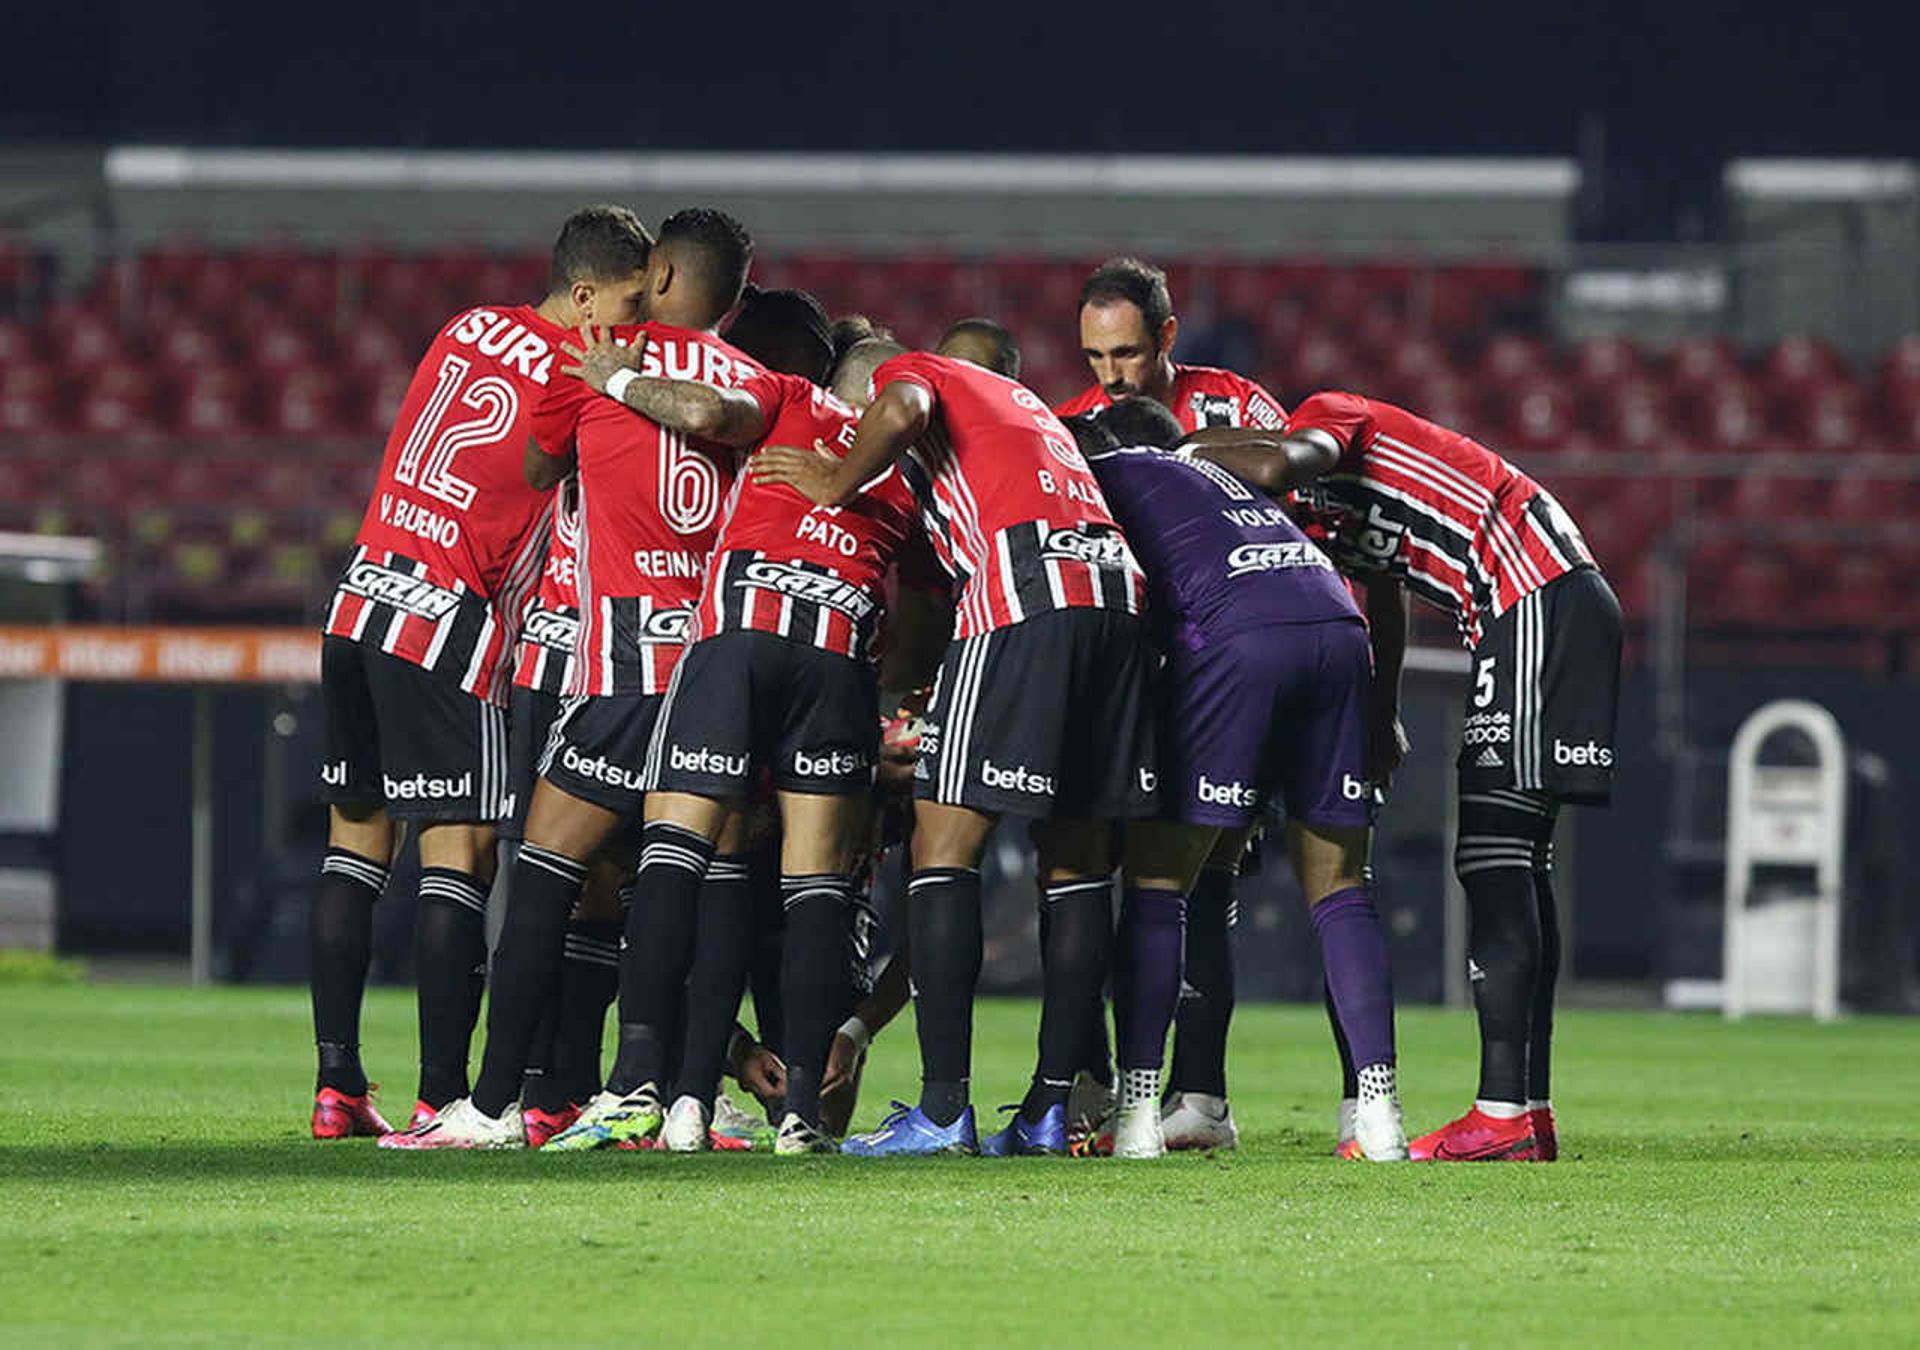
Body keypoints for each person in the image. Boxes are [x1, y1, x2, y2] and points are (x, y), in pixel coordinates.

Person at [381, 208, 777, 1149]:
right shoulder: (762, 381)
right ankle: (682, 1096)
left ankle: (487, 1104)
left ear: (668, 277)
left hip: (625, 658)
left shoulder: (593, 357)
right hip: (720, 660)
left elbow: (536, 462)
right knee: (691, 877)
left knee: (547, 866)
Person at [1188, 390, 1621, 1162]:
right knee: (1522, 859)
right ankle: (1527, 1109)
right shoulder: (1327, 522)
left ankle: (1500, 1115)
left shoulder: (1326, 417)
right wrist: (1381, 712)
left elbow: (1283, 459)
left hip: (1531, 595)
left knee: (1491, 860)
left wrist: (1184, 454)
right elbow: (1384, 601)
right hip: (1549, 596)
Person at [754, 331, 1158, 1158]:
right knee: (1077, 861)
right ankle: (1052, 1108)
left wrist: (835, 479)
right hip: (1116, 595)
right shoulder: (1027, 407)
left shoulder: (916, 375)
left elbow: (900, 405)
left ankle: (942, 1112)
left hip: (1023, 588)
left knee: (943, 844)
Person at [545, 304, 925, 1156]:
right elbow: (920, 617)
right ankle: (798, 1121)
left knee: (681, 856)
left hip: (741, 639)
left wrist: (614, 377)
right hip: (836, 659)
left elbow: (708, 413)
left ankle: (654, 1092)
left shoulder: (791, 399)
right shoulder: (905, 481)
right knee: (816, 886)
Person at [309, 204, 652, 1139]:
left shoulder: (464, 326)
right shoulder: (588, 378)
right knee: (458, 855)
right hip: (450, 623)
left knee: (355, 845)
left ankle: (337, 1084)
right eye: (627, 303)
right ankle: (441, 1096)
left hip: (361, 595)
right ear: (584, 296)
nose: (637, 324)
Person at [1068, 398, 1406, 1160]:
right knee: (1341, 886)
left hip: (1239, 639)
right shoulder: (1227, 484)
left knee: (1160, 881)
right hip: (1335, 629)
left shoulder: (1109, 469)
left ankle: (1137, 1118)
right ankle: (1380, 1116)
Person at [1056, 256, 1293, 1149]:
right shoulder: (1071, 425)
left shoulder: (1239, 409)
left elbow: (1291, 517)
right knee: (1093, 875)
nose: (1108, 376)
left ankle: (1200, 1097)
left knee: (1203, 883)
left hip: (1218, 674)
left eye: (1124, 354)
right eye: (1092, 357)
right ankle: (1091, 1085)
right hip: (1122, 681)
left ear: (1166, 336)